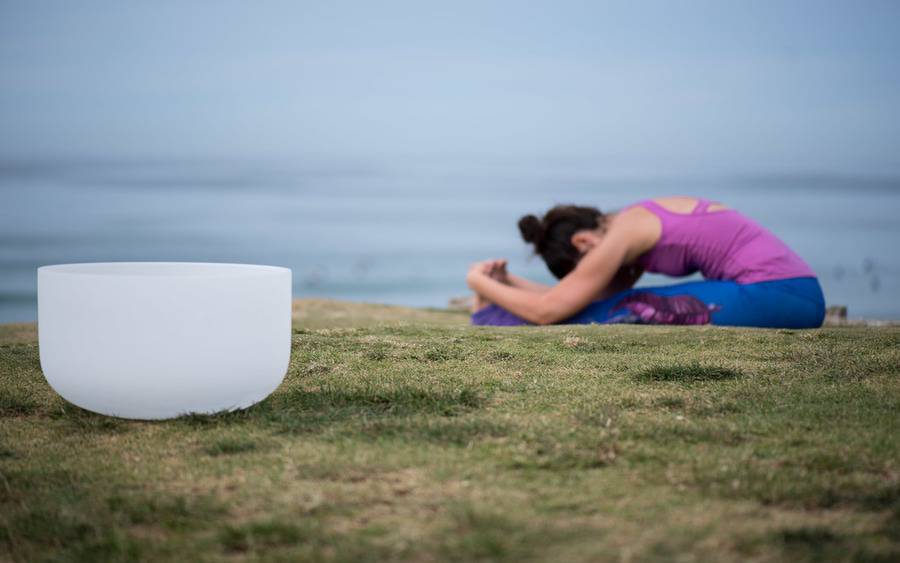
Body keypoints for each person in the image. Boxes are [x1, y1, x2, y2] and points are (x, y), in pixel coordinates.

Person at [467, 196, 824, 328]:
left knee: (630, 309)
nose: (590, 274)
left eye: (584, 267)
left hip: (776, 293)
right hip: (792, 290)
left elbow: (548, 312)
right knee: (611, 308)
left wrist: (479, 283)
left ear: (584, 241)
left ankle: (490, 320)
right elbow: (586, 301)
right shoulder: (636, 224)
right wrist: (508, 283)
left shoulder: (626, 230)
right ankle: (495, 314)